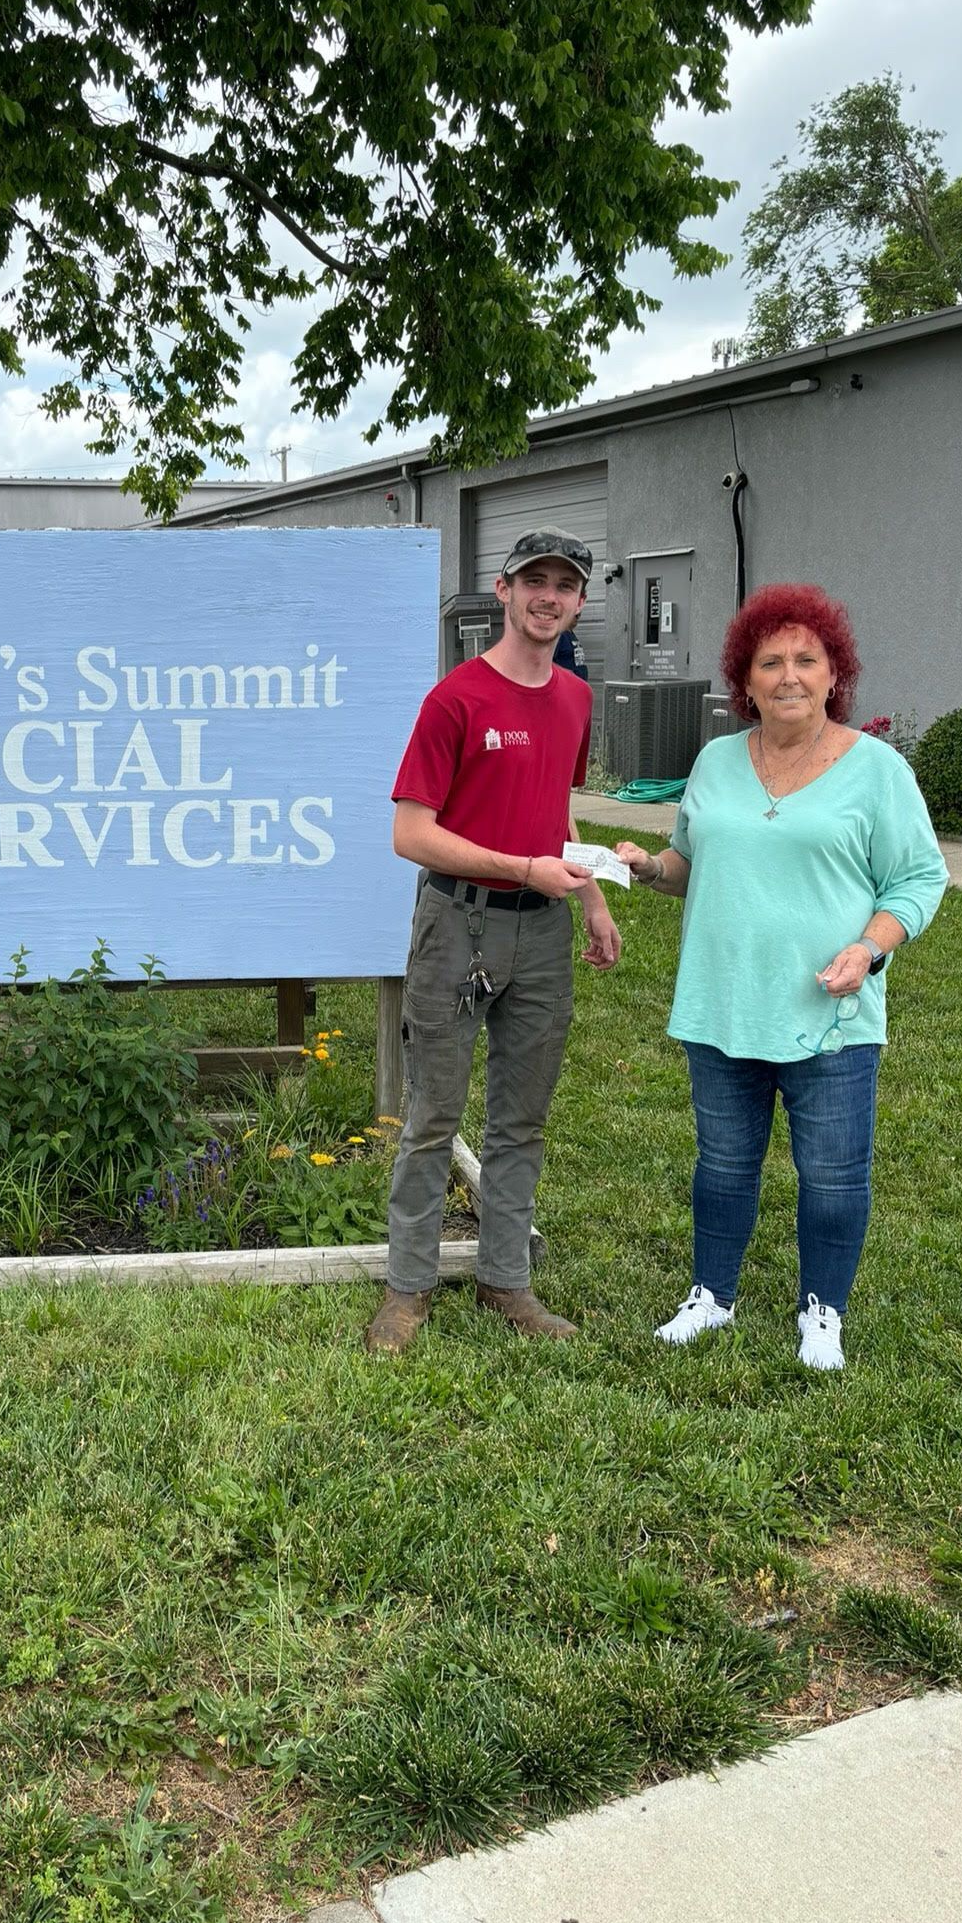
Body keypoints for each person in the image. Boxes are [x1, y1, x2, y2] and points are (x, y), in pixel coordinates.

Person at [614, 582, 948, 1371]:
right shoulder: (716, 761)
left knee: (832, 1174)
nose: (789, 675)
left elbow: (918, 880)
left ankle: (822, 1311)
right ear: (747, 679)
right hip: (722, 1003)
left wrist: (869, 947)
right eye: (771, 661)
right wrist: (645, 867)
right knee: (722, 1165)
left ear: (836, 674)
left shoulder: (878, 771)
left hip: (829, 1012)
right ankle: (712, 1297)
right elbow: (689, 862)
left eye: (808, 659)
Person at [366, 529, 622, 1354]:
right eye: (534, 581)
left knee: (523, 1119)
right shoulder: (457, 700)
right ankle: (407, 1289)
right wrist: (520, 866)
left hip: (544, 931)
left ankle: (505, 1280)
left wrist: (590, 903)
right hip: (458, 924)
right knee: (432, 1118)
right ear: (504, 592)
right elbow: (411, 834)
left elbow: (554, 807)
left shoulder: (576, 698)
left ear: (581, 602)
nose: (550, 597)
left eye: (566, 585)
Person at [553, 595, 589, 681]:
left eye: (579, 616)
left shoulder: (571, 634)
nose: (577, 618)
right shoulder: (559, 635)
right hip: (565, 685)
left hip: (578, 684)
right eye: (575, 616)